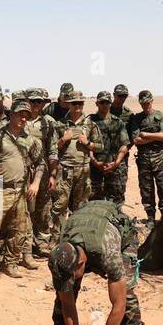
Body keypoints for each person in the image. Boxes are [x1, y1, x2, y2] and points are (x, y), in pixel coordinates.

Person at [43, 199, 146, 325]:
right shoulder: (59, 254)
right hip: (85, 228)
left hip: (120, 237)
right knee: (64, 294)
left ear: (82, 263)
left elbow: (118, 305)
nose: (71, 280)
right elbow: (67, 302)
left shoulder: (107, 253)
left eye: (73, 275)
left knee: (126, 295)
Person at [0, 98, 43, 280]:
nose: (23, 119)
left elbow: (40, 164)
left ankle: (10, 264)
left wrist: (36, 183)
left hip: (21, 191)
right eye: (20, 114)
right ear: (11, 115)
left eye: (26, 116)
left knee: (19, 231)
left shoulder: (30, 141)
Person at [48, 90, 101, 237]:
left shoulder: (90, 124)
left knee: (81, 206)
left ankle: (77, 237)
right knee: (60, 205)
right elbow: (52, 148)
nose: (77, 106)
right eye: (74, 103)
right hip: (64, 170)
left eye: (80, 103)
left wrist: (88, 143)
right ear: (69, 105)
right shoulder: (60, 124)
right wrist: (63, 140)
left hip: (83, 170)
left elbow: (100, 146)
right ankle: (55, 239)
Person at [24, 88, 59, 256]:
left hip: (42, 171)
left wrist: (52, 175)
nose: (36, 105)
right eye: (33, 101)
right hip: (23, 171)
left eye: (39, 101)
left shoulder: (48, 123)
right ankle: (25, 245)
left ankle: (42, 242)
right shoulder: (19, 119)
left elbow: (53, 151)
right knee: (24, 209)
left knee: (44, 209)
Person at [130, 90, 163, 221]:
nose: (145, 105)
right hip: (143, 158)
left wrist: (146, 135)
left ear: (152, 101)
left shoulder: (160, 116)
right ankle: (150, 218)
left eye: (147, 103)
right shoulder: (136, 118)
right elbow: (136, 140)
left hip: (159, 157)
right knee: (146, 189)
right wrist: (156, 137)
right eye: (143, 103)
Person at [89, 91, 130, 203]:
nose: (104, 105)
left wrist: (116, 163)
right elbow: (86, 145)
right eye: (102, 102)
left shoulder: (118, 122)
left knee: (116, 199)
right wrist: (95, 162)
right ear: (97, 103)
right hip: (95, 168)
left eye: (107, 102)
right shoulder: (89, 121)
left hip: (114, 167)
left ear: (110, 103)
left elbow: (124, 145)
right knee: (94, 200)